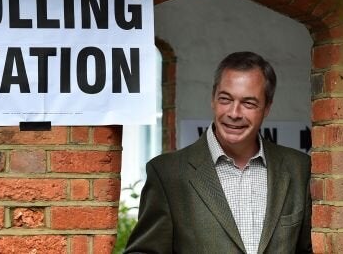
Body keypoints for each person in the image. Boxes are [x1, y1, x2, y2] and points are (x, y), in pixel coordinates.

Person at [125, 51, 312, 254]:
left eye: (248, 103)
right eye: (225, 99)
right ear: (213, 99)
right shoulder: (167, 174)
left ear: (267, 107)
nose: (234, 113)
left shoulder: (299, 169)